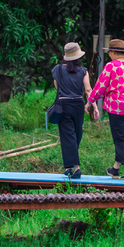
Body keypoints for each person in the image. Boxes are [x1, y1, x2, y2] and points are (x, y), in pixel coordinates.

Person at [88, 38, 124, 180]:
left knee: (119, 139)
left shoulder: (110, 66)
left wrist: (90, 101)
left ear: (113, 52)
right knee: (122, 138)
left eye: (110, 53)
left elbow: (100, 86)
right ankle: (115, 168)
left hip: (116, 108)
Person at [53, 41, 94, 179]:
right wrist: (93, 104)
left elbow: (56, 87)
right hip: (78, 104)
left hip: (64, 104)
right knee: (76, 134)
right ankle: (70, 167)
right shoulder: (83, 71)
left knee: (68, 136)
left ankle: (75, 167)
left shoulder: (57, 69)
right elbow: (88, 89)